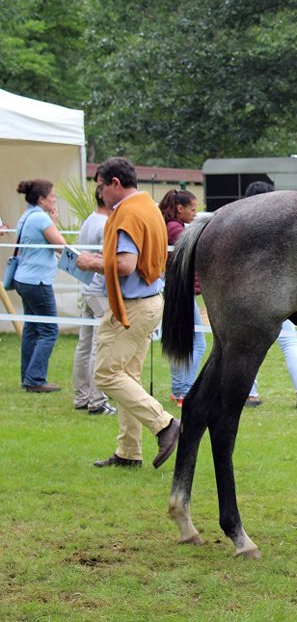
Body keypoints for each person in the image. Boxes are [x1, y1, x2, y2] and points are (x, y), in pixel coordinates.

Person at [76, 157, 180, 468]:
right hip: (150, 301)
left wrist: (91, 262)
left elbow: (125, 265)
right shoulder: (148, 206)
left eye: (101, 187)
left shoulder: (127, 213)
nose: (100, 194)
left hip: (131, 307)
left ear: (115, 183)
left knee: (106, 374)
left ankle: (165, 424)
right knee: (128, 377)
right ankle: (129, 452)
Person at [241, 181, 297, 410]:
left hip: (255, 293)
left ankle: (251, 394)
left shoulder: (243, 225)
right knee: (290, 343)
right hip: (284, 291)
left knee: (249, 345)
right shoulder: (281, 226)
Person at [13, 179, 67, 393]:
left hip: (24, 278)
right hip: (38, 281)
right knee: (49, 330)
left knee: (32, 328)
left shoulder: (26, 216)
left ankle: (28, 376)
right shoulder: (41, 219)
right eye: (52, 196)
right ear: (42, 199)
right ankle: (35, 379)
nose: (55, 200)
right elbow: (60, 245)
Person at [72, 184, 116, 415]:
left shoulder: (90, 220)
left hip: (88, 288)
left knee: (85, 344)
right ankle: (97, 400)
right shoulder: (105, 224)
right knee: (100, 345)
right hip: (100, 290)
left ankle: (82, 396)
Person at [159, 189, 205, 407]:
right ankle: (185, 392)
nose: (195, 214)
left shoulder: (169, 226)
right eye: (192, 209)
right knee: (198, 343)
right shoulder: (176, 229)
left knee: (179, 340)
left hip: (175, 291)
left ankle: (178, 389)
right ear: (180, 208)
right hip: (181, 292)